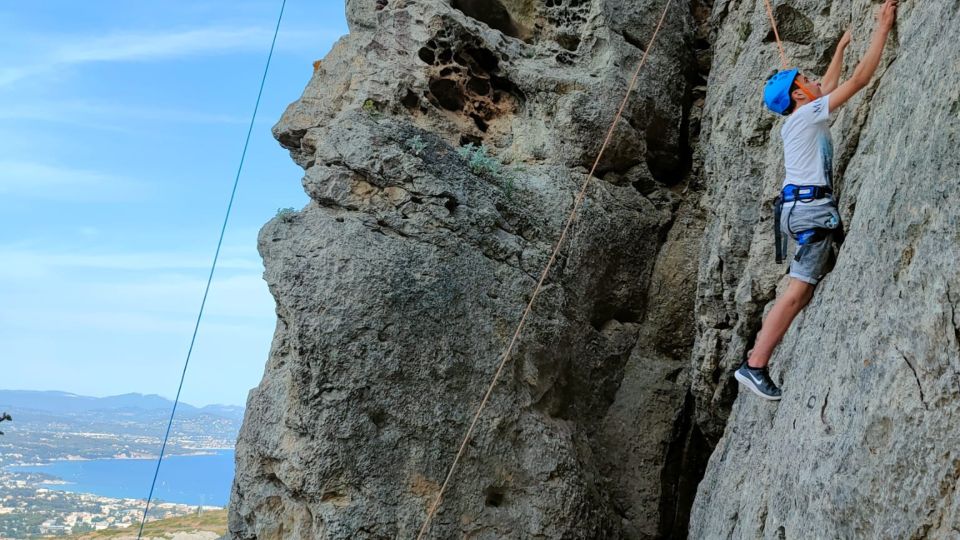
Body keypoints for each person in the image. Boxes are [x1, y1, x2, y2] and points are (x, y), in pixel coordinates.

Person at [735, 0, 899, 400]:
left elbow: (825, 86)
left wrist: (841, 47)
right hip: (810, 212)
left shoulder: (801, 117)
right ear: (797, 94)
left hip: (799, 209)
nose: (812, 80)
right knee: (795, 292)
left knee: (803, 289)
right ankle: (754, 365)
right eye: (804, 79)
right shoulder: (807, 116)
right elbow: (859, 81)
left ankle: (757, 356)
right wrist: (881, 28)